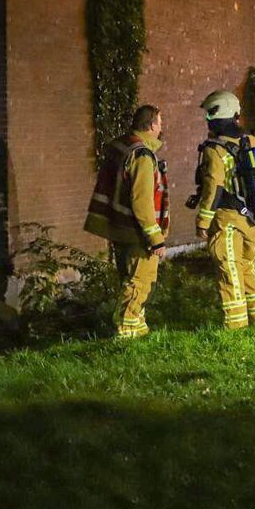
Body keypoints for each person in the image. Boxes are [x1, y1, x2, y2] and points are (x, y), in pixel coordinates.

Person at [84, 105, 169, 338]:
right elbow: (142, 202)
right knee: (139, 282)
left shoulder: (120, 146)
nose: (161, 127)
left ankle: (139, 331)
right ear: (151, 125)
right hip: (136, 232)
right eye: (160, 123)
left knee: (128, 279)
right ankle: (127, 331)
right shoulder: (142, 155)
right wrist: (156, 239)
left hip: (118, 227)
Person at [193, 90, 255, 329]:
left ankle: (235, 326)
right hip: (253, 218)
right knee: (248, 265)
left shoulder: (214, 149)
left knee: (229, 268)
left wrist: (203, 222)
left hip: (228, 220)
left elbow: (212, 189)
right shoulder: (253, 141)